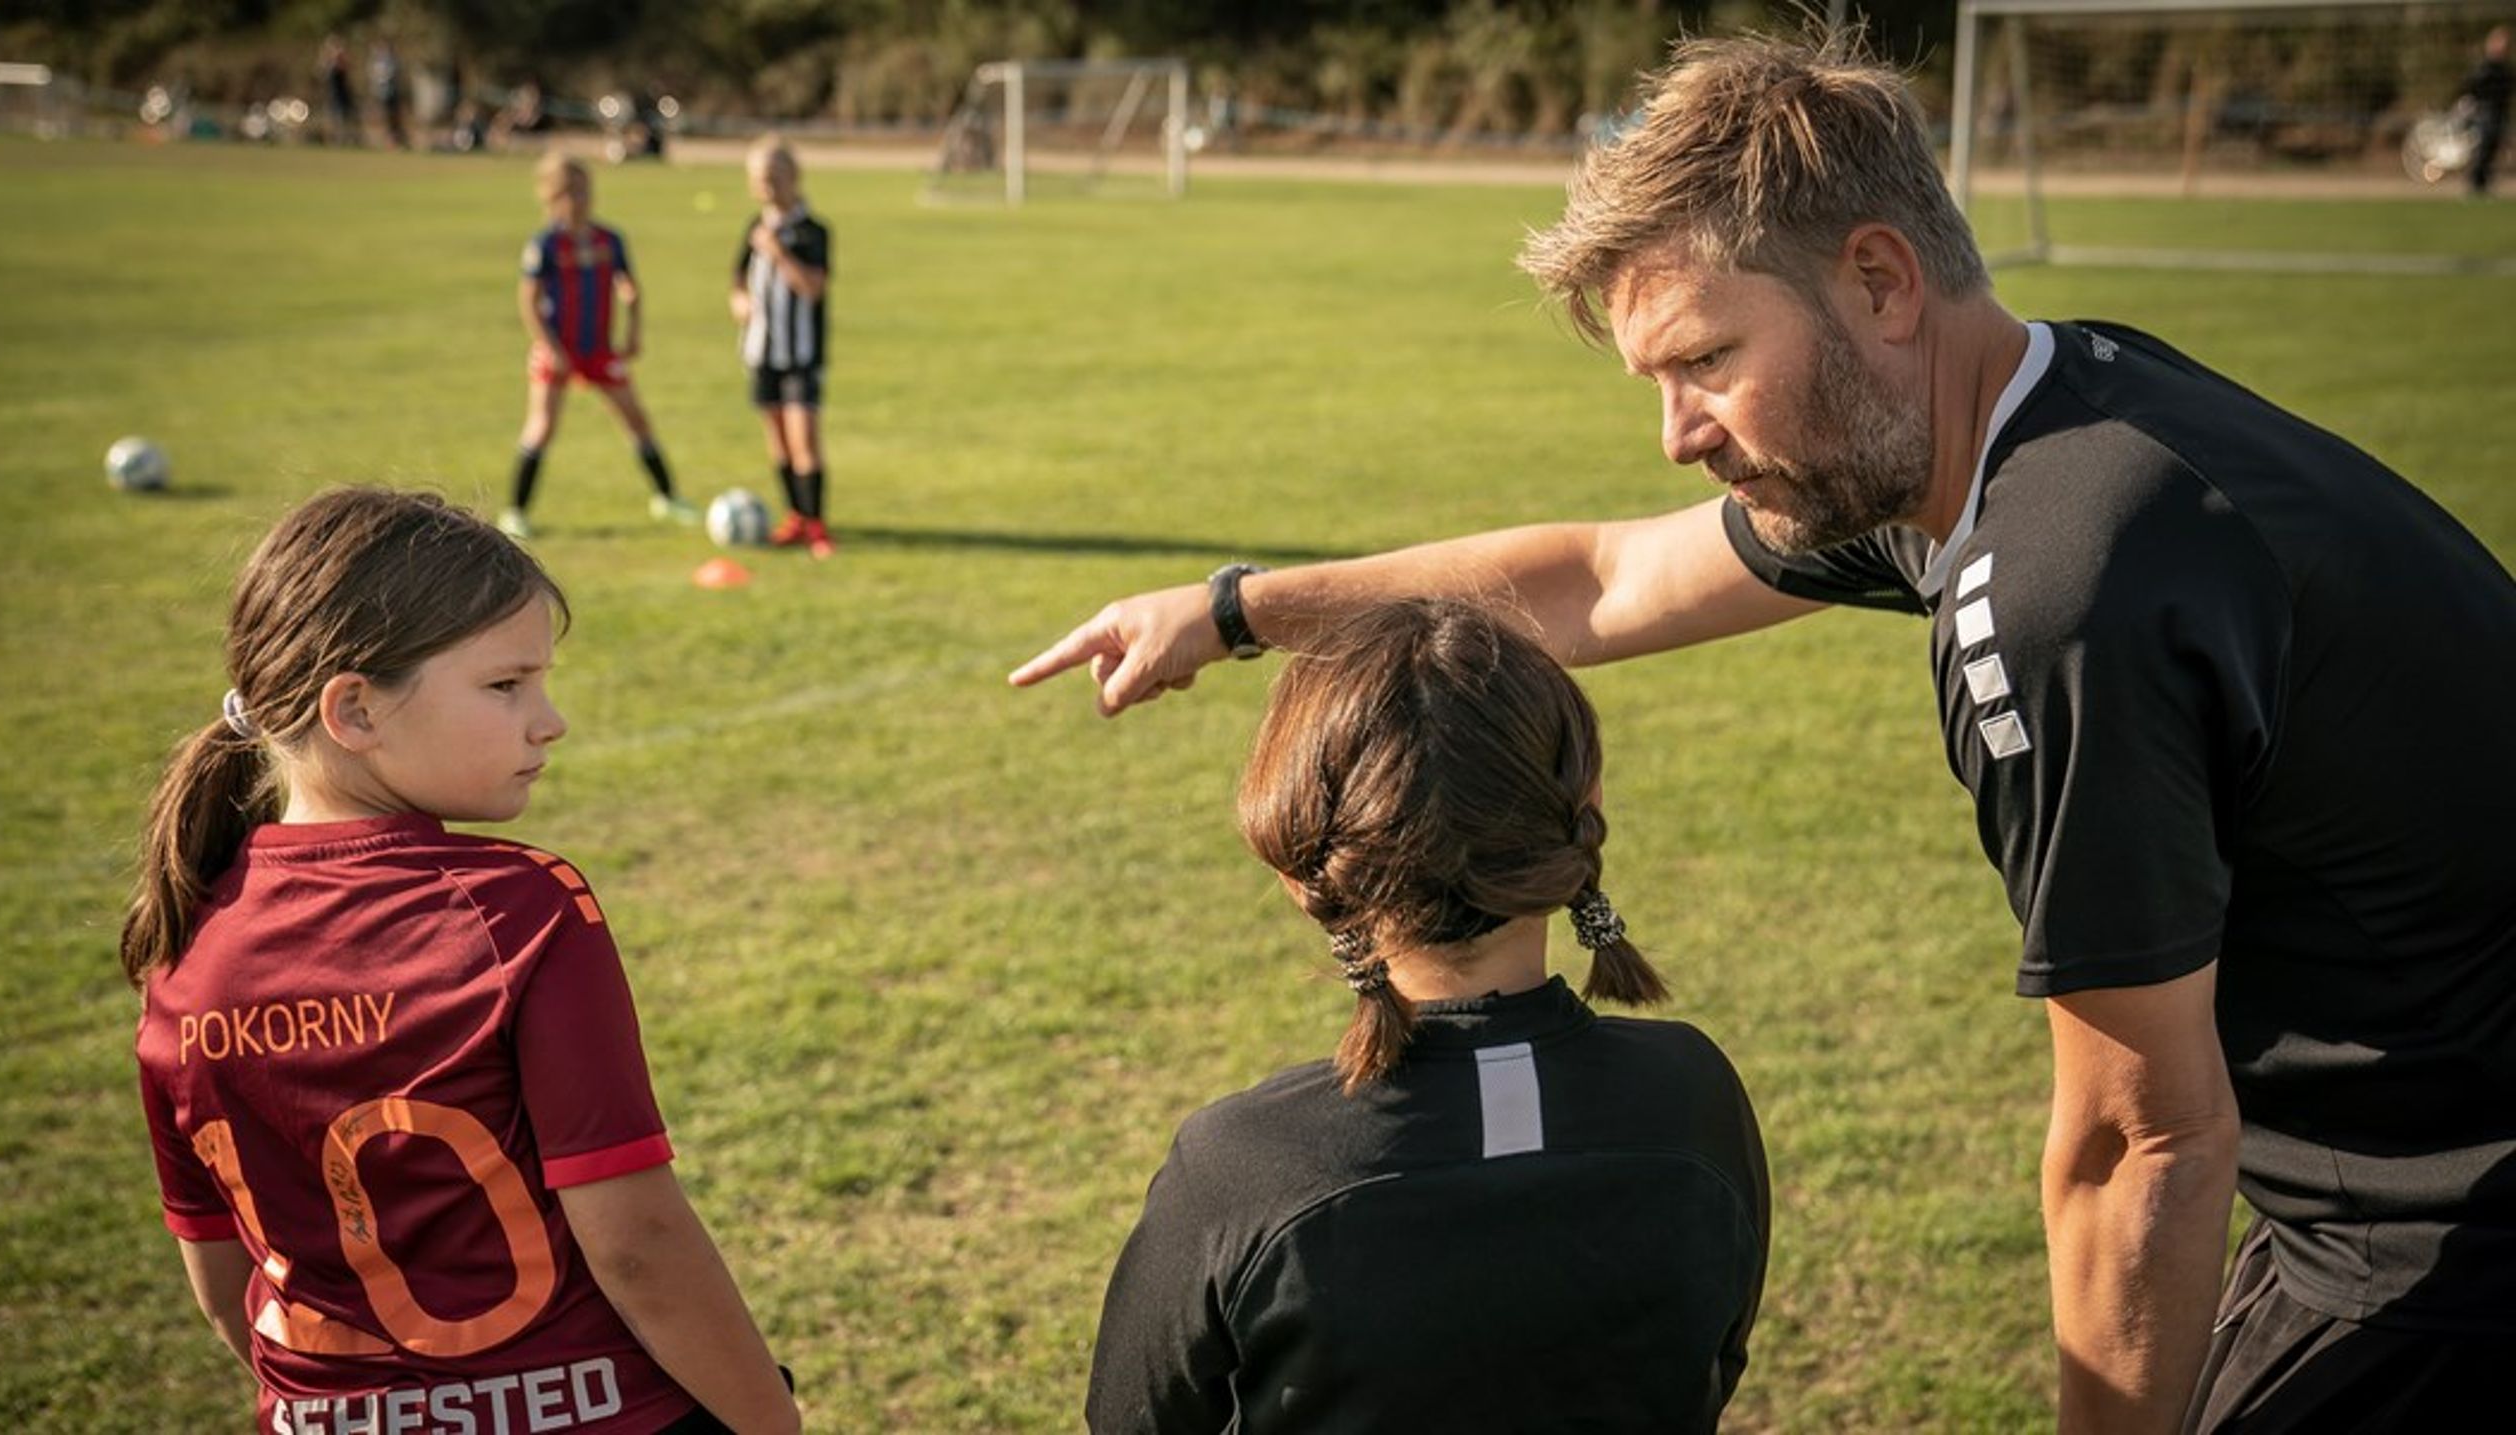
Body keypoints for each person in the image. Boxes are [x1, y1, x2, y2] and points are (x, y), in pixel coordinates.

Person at [1015, 29, 2516, 1433]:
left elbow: (2144, 1143)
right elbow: (1603, 577)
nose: (1676, 429)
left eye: (1706, 360)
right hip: (2386, 1177)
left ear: (1878, 281)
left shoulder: (2059, 584)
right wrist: (1231, 609)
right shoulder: (2045, 421)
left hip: (2445, 1216)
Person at [125, 488, 798, 1434]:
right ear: (354, 709)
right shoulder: (516, 910)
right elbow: (638, 1243)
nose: (548, 719)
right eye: (506, 685)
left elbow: (222, 1278)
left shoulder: (183, 949)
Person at [1086, 598, 1769, 1433]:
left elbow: (1135, 1420)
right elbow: (1718, 1356)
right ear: (1584, 810)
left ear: (1301, 863)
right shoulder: (1691, 1095)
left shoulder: (1242, 1166)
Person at [505, 154, 698, 540]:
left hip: (599, 351)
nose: (579, 199)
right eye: (570, 191)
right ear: (552, 196)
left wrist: (633, 328)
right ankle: (515, 512)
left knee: (637, 420)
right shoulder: (545, 244)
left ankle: (667, 498)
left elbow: (629, 285)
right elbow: (528, 300)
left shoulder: (610, 240)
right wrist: (550, 346)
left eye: (584, 189)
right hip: (558, 350)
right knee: (542, 427)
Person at [729, 135, 835, 556]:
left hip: (800, 356)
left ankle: (817, 525)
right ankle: (794, 516)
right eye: (759, 178)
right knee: (778, 443)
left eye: (774, 177)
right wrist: (738, 301)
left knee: (804, 441)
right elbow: (736, 279)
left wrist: (777, 253)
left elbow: (813, 287)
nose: (767, 186)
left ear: (794, 177)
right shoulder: (755, 226)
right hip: (761, 353)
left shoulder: (813, 232)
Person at [2461, 25, 2512, 197]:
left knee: (2492, 149)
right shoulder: (2484, 68)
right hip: (2486, 113)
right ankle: (2476, 183)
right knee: (2484, 148)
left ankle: (2483, 183)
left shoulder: (2505, 69)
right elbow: (2472, 88)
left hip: (2499, 113)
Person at [316, 35, 356, 147]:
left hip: (343, 94)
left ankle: (346, 139)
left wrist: (340, 57)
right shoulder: (328, 64)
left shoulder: (341, 62)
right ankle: (335, 140)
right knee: (333, 117)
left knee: (345, 117)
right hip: (332, 95)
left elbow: (347, 67)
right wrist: (326, 57)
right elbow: (321, 72)